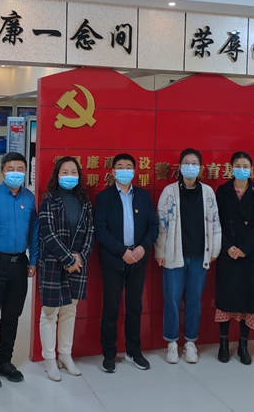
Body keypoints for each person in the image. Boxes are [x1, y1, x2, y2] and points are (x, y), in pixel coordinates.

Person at [0, 152, 39, 388]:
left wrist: (33, 260)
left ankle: (5, 361)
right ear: (2, 172)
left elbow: (34, 232)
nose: (16, 173)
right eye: (11, 169)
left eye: (20, 169)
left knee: (12, 316)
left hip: (19, 264)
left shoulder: (29, 198)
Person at [155, 148, 221, 364]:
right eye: (186, 162)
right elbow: (161, 223)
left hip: (200, 256)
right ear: (180, 166)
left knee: (194, 301)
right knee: (172, 300)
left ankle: (190, 342)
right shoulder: (169, 192)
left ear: (200, 167)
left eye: (194, 163)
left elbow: (215, 222)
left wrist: (214, 250)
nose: (190, 166)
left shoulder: (208, 192)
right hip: (173, 255)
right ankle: (172, 343)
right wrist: (160, 251)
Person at [95, 153, 159, 373]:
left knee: (135, 307)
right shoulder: (104, 197)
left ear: (134, 171)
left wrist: (143, 247)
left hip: (138, 260)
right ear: (113, 172)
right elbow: (100, 230)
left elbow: (153, 227)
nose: (124, 170)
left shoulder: (143, 196)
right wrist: (122, 251)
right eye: (120, 167)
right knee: (111, 308)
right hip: (114, 260)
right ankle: (109, 354)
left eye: (128, 166)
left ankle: (134, 351)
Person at [38, 157, 95, 381]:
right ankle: (49, 359)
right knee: (50, 312)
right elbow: (47, 233)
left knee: (70, 311)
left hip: (78, 263)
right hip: (53, 264)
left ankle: (65, 354)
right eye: (65, 171)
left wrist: (80, 257)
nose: (69, 175)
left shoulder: (84, 201)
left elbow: (90, 232)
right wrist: (68, 259)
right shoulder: (49, 199)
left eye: (73, 172)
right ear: (57, 175)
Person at [214, 151, 254, 365]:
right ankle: (223, 343)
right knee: (226, 300)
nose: (242, 169)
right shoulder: (223, 191)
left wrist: (245, 248)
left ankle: (243, 345)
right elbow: (216, 221)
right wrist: (228, 247)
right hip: (228, 252)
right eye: (238, 166)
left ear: (252, 169)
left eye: (246, 166)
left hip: (250, 254)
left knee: (249, 301)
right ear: (231, 168)